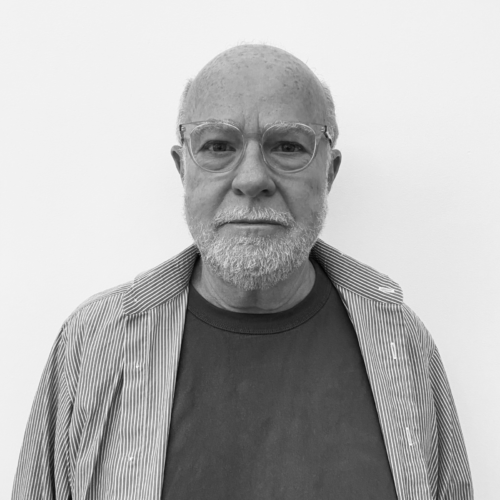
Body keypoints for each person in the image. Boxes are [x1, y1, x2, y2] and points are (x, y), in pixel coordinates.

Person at [12, 44, 473, 500]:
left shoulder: (400, 343)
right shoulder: (93, 345)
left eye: (288, 146)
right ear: (183, 169)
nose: (252, 178)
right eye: (217, 146)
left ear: (329, 173)